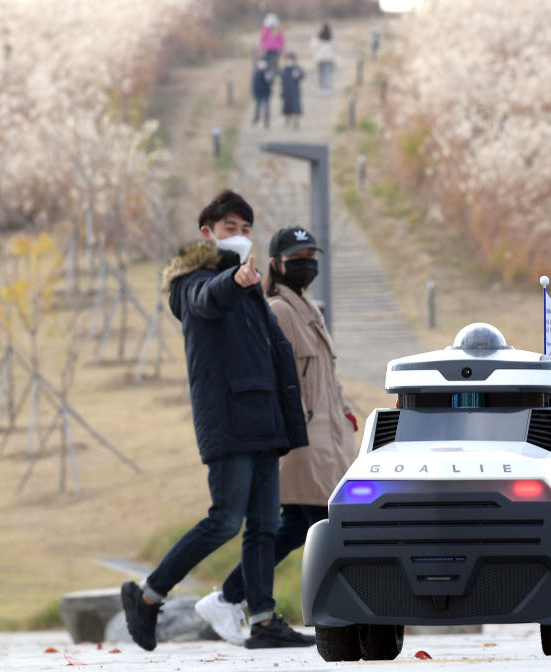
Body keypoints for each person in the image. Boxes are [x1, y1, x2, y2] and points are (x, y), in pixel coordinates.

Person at [120, 191, 313, 651]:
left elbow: (275, 357)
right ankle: (147, 597)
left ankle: (263, 622)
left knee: (265, 524)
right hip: (228, 422)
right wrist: (234, 279)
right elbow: (208, 301)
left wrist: (289, 424)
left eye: (247, 229)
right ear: (207, 234)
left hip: (264, 422)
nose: (241, 236)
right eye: (230, 228)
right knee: (224, 521)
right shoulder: (192, 281)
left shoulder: (250, 293)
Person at [194, 227, 359, 645]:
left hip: (329, 435)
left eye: (310, 254)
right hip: (304, 438)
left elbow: (325, 374)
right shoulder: (279, 310)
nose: (307, 262)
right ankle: (345, 611)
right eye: (296, 255)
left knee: (296, 526)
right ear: (275, 263)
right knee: (318, 522)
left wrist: (345, 411)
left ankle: (230, 598)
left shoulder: (309, 309)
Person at [280, 53, 305, 129]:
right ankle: (287, 121)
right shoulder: (284, 69)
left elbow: (302, 76)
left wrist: (298, 75)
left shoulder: (297, 68)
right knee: (287, 108)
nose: (289, 61)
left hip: (295, 91)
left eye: (290, 59)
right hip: (286, 91)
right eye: (288, 59)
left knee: (296, 107)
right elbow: (281, 78)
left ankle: (296, 122)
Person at [311, 23, 335, 94]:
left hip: (320, 58)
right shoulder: (331, 37)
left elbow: (313, 46)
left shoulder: (318, 37)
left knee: (321, 73)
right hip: (329, 57)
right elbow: (335, 47)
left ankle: (323, 87)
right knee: (328, 73)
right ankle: (327, 88)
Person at [252, 59, 275, 128]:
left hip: (266, 92)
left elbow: (270, 82)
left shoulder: (268, 71)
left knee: (266, 108)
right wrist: (253, 91)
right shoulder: (256, 71)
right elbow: (254, 83)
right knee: (257, 107)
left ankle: (266, 121)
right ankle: (256, 118)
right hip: (258, 92)